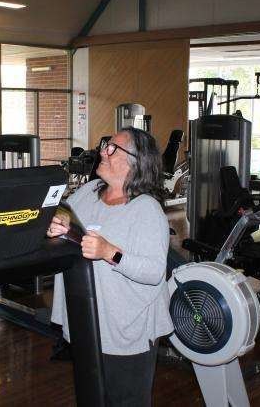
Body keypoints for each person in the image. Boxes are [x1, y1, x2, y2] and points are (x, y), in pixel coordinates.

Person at [49, 127, 172, 407]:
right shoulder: (90, 191)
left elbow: (154, 272)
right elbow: (63, 216)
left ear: (135, 162)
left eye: (113, 148)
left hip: (126, 332)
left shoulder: (146, 209)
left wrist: (109, 252)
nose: (103, 151)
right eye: (106, 145)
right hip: (88, 323)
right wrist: (55, 227)